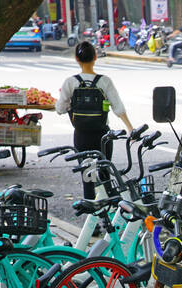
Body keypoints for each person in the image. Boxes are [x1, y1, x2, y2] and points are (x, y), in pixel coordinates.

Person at [56, 42, 133, 199]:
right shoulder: (105, 81)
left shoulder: (71, 82)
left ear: (76, 58)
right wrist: (130, 127)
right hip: (102, 136)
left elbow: (60, 109)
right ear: (95, 57)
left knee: (88, 178)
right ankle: (109, 212)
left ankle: (92, 215)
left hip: (81, 135)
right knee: (105, 175)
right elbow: (118, 107)